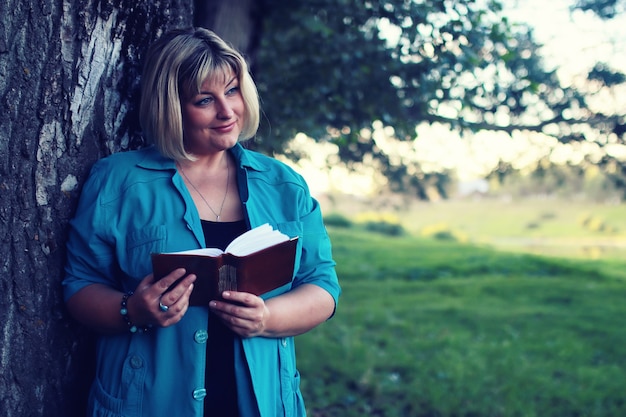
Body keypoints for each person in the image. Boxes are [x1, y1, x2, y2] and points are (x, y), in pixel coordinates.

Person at [63, 27, 341, 417]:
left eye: (232, 90)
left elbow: (322, 286)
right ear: (171, 106)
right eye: (204, 100)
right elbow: (79, 286)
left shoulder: (283, 184)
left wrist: (266, 318)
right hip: (148, 403)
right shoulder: (118, 181)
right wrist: (132, 310)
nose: (227, 111)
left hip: (262, 402)